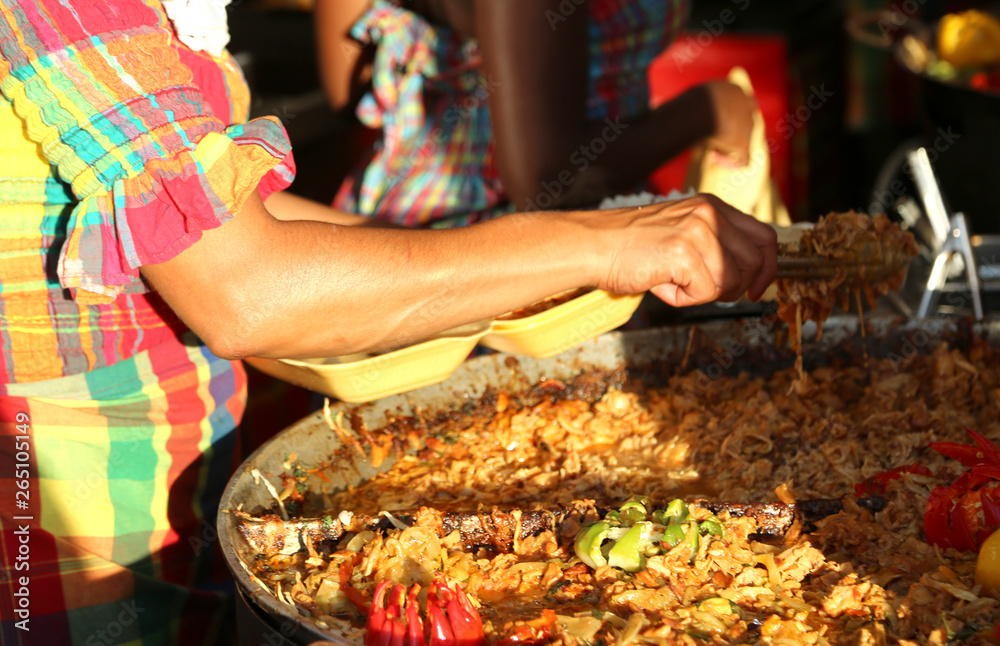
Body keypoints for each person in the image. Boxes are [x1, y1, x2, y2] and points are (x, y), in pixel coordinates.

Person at [0, 0, 775, 644]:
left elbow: (241, 219)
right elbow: (241, 288)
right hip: (74, 505)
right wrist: (602, 241)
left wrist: (503, 268)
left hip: (178, 467)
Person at [317, 0, 757, 227]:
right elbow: (547, 182)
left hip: (400, 213)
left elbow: (347, 93)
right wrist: (712, 111)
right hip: (502, 277)